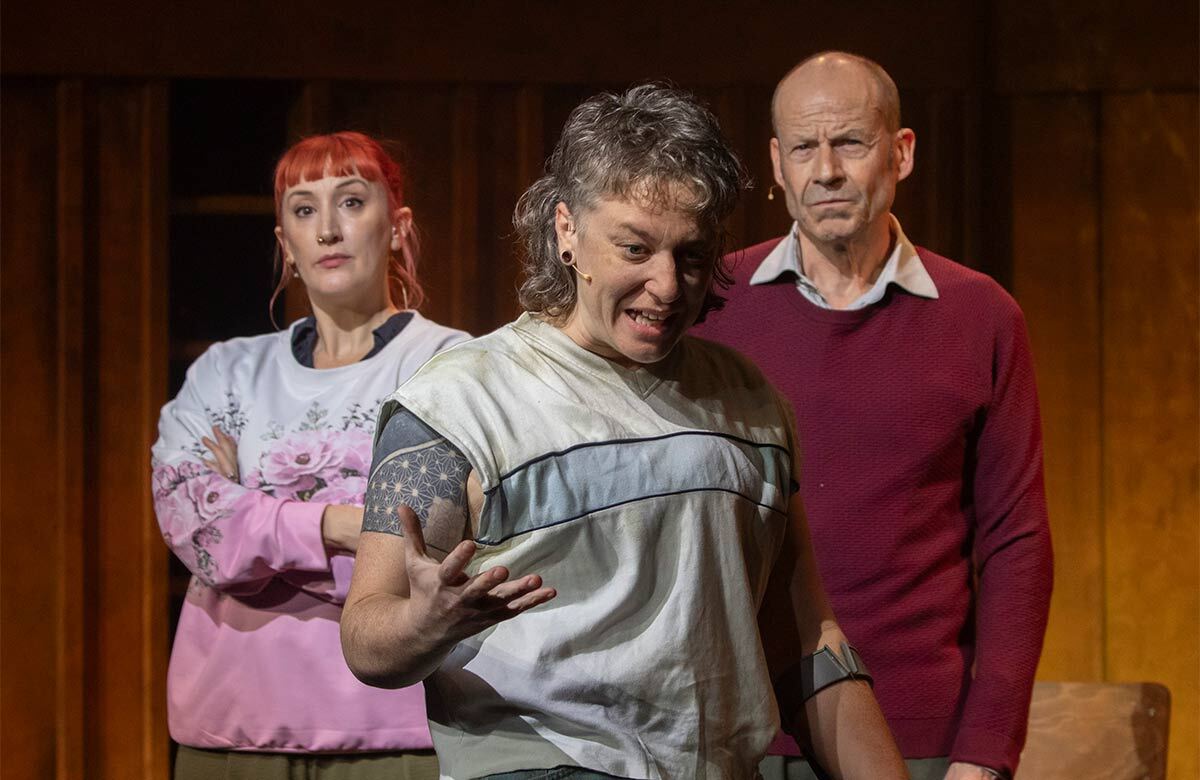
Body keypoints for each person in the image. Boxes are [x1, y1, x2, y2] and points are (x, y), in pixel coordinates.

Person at [340, 84, 906, 780]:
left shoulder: (750, 404)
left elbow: (805, 641)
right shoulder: (457, 403)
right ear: (567, 230)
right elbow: (366, 637)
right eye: (635, 248)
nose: (666, 285)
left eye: (691, 255)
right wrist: (421, 624)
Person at [691, 52, 1054, 780]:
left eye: (850, 142)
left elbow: (1017, 544)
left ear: (902, 152)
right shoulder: (713, 305)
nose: (826, 170)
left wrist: (986, 751)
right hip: (736, 736)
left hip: (918, 738)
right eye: (804, 147)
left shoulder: (982, 315)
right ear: (777, 163)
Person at [151, 131, 469, 779]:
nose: (327, 229)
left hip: (397, 730)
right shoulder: (226, 373)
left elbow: (436, 545)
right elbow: (193, 522)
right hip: (231, 730)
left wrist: (255, 520)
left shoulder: (448, 366)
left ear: (398, 226)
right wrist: (344, 525)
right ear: (285, 244)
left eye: (351, 202)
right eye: (304, 209)